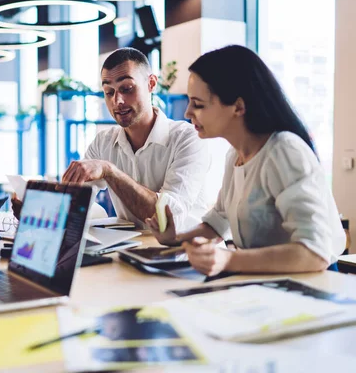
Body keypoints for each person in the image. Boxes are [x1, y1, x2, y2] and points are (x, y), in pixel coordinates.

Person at [147, 45, 345, 275]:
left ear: (238, 106)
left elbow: (314, 252)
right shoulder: (235, 155)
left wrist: (228, 260)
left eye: (198, 104)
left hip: (312, 286)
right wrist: (175, 238)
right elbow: (218, 223)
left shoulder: (285, 150)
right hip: (264, 283)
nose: (187, 113)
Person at [53, 47, 210, 230]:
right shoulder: (103, 142)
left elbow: (167, 218)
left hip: (187, 254)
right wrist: (38, 212)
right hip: (133, 251)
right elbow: (77, 202)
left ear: (151, 83)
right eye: (109, 92)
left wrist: (110, 171)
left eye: (127, 89)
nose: (117, 101)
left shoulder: (187, 139)